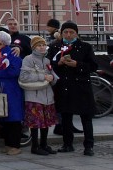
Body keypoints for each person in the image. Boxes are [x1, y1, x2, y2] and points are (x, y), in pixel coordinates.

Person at [50, 22, 97, 155]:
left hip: (81, 86)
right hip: (64, 86)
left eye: (71, 32)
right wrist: (58, 63)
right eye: (66, 32)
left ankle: (89, 145)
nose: (69, 35)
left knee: (86, 117)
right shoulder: (55, 46)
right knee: (65, 117)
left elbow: (93, 66)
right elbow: (49, 64)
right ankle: (67, 144)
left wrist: (77, 64)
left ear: (76, 33)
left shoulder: (85, 47)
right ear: (62, 33)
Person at [0, 30, 25, 155]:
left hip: (11, 89)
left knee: (13, 117)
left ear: (1, 42)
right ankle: (8, 144)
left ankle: (15, 145)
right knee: (4, 117)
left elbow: (15, 70)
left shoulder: (12, 53)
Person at [21, 36, 58, 156]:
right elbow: (24, 77)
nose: (42, 47)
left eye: (43, 45)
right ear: (33, 47)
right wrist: (43, 77)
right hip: (34, 95)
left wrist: (53, 78)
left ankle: (44, 144)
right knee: (35, 122)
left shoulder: (46, 60)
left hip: (47, 95)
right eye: (39, 45)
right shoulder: (28, 59)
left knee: (46, 122)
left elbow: (52, 74)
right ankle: (35, 146)